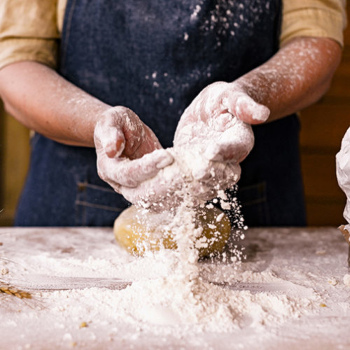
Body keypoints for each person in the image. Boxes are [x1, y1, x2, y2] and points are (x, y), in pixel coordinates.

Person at [0, 0, 346, 227]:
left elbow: (314, 37)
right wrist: (97, 123)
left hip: (250, 200)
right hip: (76, 206)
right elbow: (16, 61)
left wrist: (249, 92)